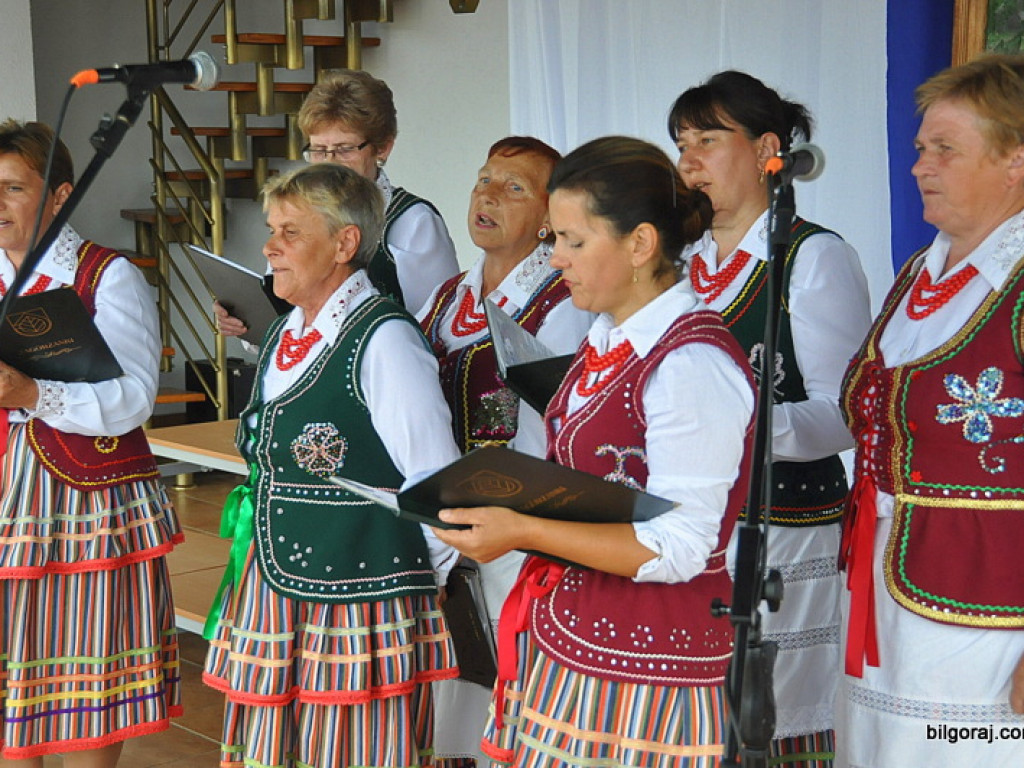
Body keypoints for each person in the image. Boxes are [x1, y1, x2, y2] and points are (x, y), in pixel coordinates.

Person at [433, 136, 757, 767]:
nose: (556, 259)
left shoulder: (689, 362)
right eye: (555, 239)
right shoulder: (609, 339)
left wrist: (522, 526)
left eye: (574, 242)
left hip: (648, 660)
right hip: (580, 632)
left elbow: (680, 546)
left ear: (640, 244)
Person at [201, 162, 464, 768]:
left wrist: (417, 591)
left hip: (358, 591)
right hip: (277, 579)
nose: (269, 248)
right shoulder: (289, 329)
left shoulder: (384, 341)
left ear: (345, 243)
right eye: (271, 229)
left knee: (348, 749)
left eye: (290, 232)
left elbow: (435, 482)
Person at [669, 70, 872, 766]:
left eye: (706, 139)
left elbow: (844, 415)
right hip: (701, 531)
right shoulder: (681, 264)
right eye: (680, 143)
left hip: (788, 533)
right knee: (702, 717)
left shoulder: (813, 257)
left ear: (766, 151)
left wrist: (742, 429)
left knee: (774, 720)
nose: (688, 159)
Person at [838, 53, 1024, 767]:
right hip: (884, 593)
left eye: (946, 149)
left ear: (1015, 160)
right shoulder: (922, 270)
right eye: (920, 148)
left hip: (991, 608)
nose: (921, 166)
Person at [0, 119, 182, 766]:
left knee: (88, 683)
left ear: (60, 197)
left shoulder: (107, 276)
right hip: (5, 500)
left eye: (13, 188)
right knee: (11, 686)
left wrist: (32, 395)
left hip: (85, 502)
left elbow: (135, 397)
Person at [417, 136, 594, 766]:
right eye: (484, 179)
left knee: (508, 696)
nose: (487, 194)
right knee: (452, 696)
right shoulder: (446, 298)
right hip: (450, 526)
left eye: (513, 187)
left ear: (551, 216)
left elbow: (557, 431)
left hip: (517, 529)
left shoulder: (563, 301)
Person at [215, 68, 459, 339]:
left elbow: (439, 333)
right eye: (319, 150)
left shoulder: (414, 222)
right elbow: (284, 317)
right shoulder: (298, 217)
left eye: (344, 149)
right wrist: (248, 321)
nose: (329, 163)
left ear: (383, 147)